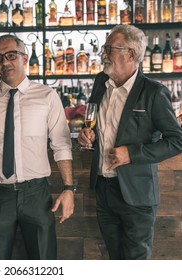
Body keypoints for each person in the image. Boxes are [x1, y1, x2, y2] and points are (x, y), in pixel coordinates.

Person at [0, 34, 75, 260]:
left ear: (25, 56)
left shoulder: (47, 96)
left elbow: (61, 144)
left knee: (44, 262)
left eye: (11, 55)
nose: (4, 63)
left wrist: (69, 188)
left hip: (36, 195)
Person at [78, 25, 182, 260]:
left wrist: (132, 154)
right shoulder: (100, 82)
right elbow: (96, 126)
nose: (103, 54)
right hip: (104, 189)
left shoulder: (154, 92)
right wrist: (88, 136)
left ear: (131, 54)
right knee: (115, 259)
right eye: (105, 48)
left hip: (137, 194)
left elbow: (177, 140)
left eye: (109, 49)